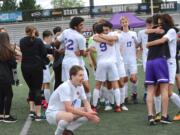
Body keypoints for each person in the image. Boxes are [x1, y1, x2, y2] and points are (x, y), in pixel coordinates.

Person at [46, 65, 100, 135]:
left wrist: (90, 112)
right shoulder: (65, 87)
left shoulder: (80, 86)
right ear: (72, 76)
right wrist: (87, 114)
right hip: (52, 113)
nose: (83, 78)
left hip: (64, 112)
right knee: (69, 116)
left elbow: (86, 102)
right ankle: (58, 133)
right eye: (80, 75)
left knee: (87, 111)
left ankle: (67, 131)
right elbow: (68, 108)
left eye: (83, 75)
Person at [147, 14, 180, 121]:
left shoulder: (171, 31)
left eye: (161, 23)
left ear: (166, 22)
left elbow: (161, 41)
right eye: (159, 22)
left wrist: (149, 44)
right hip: (161, 61)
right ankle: (158, 114)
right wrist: (152, 30)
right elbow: (146, 31)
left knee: (168, 92)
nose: (159, 25)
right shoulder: (165, 30)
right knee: (157, 91)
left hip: (169, 62)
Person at [56, 17, 91, 102]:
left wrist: (62, 48)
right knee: (77, 85)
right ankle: (79, 104)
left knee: (78, 84)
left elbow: (56, 41)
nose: (83, 26)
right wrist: (88, 50)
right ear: (75, 27)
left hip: (68, 61)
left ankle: (86, 104)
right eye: (81, 25)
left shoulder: (66, 31)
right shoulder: (80, 37)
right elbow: (83, 54)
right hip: (75, 61)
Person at [90, 23, 121, 112]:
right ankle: (118, 106)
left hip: (101, 62)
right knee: (115, 84)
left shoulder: (94, 37)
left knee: (97, 85)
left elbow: (93, 45)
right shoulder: (111, 35)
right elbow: (111, 42)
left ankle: (94, 106)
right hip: (111, 62)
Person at [145, 14, 171, 125]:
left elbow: (146, 31)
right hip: (160, 60)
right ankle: (164, 116)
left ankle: (150, 116)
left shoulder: (150, 31)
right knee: (164, 89)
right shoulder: (165, 29)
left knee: (150, 90)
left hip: (149, 61)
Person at [20, 26, 47, 121]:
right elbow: (44, 53)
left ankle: (32, 110)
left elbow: (23, 51)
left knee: (31, 88)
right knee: (37, 90)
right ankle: (38, 114)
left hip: (25, 67)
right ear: (34, 31)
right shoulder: (38, 41)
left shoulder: (22, 41)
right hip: (36, 67)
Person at [119, 17, 139, 104]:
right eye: (122, 22)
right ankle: (125, 97)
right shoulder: (119, 35)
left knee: (133, 79)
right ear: (121, 24)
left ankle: (134, 93)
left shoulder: (133, 33)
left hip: (132, 59)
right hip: (123, 60)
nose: (124, 23)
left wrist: (137, 55)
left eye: (126, 21)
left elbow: (138, 46)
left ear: (128, 22)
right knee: (125, 79)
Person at [0, 32, 17, 123]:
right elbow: (13, 65)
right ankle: (6, 115)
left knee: (1, 96)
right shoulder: (8, 50)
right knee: (9, 95)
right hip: (5, 76)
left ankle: (1, 115)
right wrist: (13, 52)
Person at [137, 17, 153, 103]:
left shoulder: (156, 31)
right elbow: (138, 44)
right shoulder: (141, 32)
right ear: (146, 24)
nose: (150, 26)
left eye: (151, 24)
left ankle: (156, 93)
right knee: (148, 75)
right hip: (146, 57)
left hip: (156, 56)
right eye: (148, 24)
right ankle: (146, 93)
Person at [42, 30, 54, 104]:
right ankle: (48, 103)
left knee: (42, 84)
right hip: (43, 66)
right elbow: (50, 57)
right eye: (50, 37)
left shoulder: (40, 44)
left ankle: (44, 100)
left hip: (38, 66)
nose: (51, 39)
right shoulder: (47, 46)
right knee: (47, 84)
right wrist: (52, 63)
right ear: (47, 37)